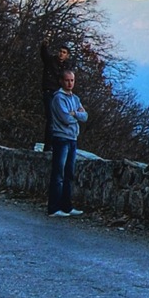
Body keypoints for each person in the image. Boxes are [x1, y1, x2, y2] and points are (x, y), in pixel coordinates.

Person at [45, 68, 88, 216]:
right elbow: (65, 118)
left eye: (72, 80)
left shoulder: (75, 98)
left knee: (69, 174)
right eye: (67, 80)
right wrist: (77, 115)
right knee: (58, 174)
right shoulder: (58, 98)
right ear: (61, 81)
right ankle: (54, 208)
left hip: (72, 138)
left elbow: (85, 116)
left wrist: (75, 113)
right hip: (61, 138)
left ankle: (66, 206)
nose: (70, 83)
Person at [39, 37, 72, 148]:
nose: (61, 54)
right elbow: (44, 54)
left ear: (67, 55)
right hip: (49, 91)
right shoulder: (51, 61)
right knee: (51, 118)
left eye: (64, 52)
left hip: (59, 94)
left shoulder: (67, 68)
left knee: (58, 119)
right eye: (60, 51)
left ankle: (54, 145)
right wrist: (44, 45)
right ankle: (48, 146)